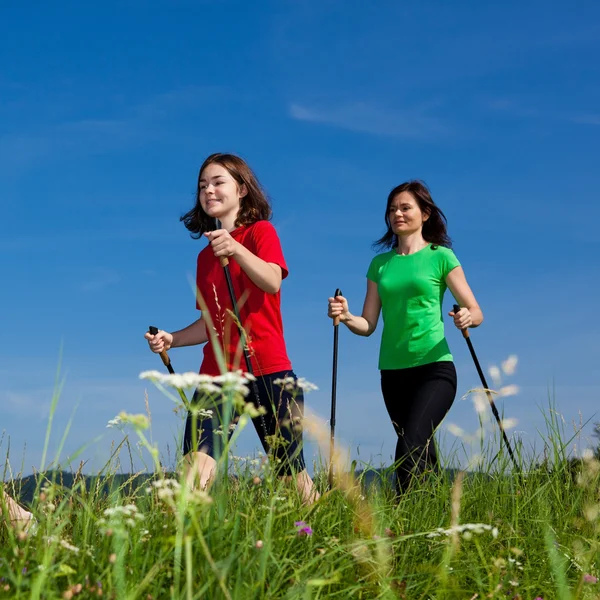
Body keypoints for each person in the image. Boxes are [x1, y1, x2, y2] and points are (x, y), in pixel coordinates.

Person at [145, 153, 318, 504]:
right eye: (202, 185)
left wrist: (236, 249)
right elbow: (212, 322)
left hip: (269, 369)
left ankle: (327, 537)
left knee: (290, 476)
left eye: (218, 182)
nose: (208, 190)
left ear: (241, 189)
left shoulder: (260, 233)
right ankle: (185, 548)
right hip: (217, 374)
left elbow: (271, 281)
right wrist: (172, 339)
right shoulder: (204, 257)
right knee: (194, 468)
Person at [328, 180, 483, 494]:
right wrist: (345, 317)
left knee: (411, 442)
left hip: (434, 367)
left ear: (425, 214)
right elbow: (368, 324)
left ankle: (399, 519)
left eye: (405, 207)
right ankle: (431, 520)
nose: (397, 214)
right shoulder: (381, 265)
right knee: (420, 449)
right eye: (392, 209)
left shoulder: (441, 257)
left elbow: (476, 310)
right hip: (393, 373)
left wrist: (468, 316)